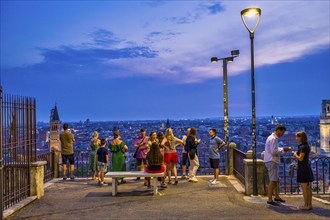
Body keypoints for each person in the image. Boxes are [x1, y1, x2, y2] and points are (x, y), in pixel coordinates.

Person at [264, 124, 288, 206]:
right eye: (282, 132)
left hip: (271, 160)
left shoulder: (271, 138)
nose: (282, 135)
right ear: (278, 130)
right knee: (273, 180)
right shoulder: (273, 139)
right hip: (272, 160)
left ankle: (276, 196)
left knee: (275, 180)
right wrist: (283, 150)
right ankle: (270, 199)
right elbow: (274, 151)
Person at [293, 131, 314, 210]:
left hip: (303, 168)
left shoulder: (302, 147)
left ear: (301, 137)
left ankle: (306, 205)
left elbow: (300, 158)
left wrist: (295, 154)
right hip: (307, 167)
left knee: (304, 187)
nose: (296, 138)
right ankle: (309, 204)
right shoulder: (307, 146)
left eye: (297, 137)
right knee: (308, 188)